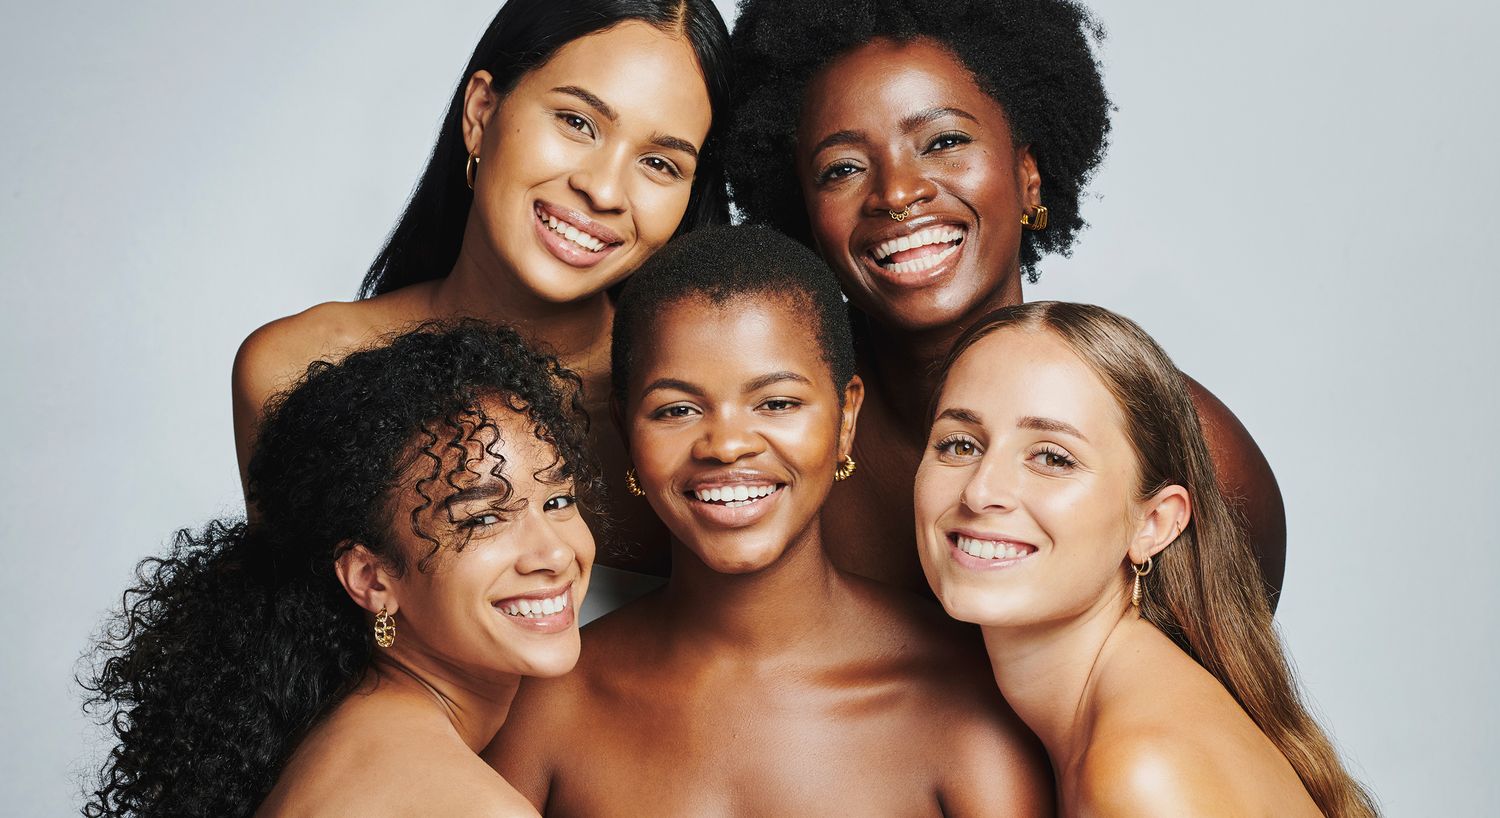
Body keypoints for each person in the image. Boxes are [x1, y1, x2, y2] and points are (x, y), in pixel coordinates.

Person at [722, 0, 1288, 603]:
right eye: (841, 169)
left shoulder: (1187, 450)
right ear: (803, 215)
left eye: (942, 141)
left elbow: (1220, 690)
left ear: (1029, 175)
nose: (896, 193)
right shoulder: (763, 445)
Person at [484, 225, 1052, 816]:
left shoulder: (968, 696)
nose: (727, 445)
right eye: (676, 409)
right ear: (627, 430)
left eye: (776, 403)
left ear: (846, 418)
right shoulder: (549, 699)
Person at [233, 0, 732, 570]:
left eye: (660, 164)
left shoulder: (704, 415)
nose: (605, 190)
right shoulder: (297, 369)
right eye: (577, 122)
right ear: (480, 113)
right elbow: (285, 643)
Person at [84, 322, 599, 817]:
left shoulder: (346, 728)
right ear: (371, 579)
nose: (553, 554)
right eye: (483, 518)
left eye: (557, 501)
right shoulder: (470, 806)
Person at [914, 301, 1376, 816]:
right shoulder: (1123, 718)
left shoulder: (1139, 774)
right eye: (959, 445)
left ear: (1154, 523)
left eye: (1051, 457)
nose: (981, 492)